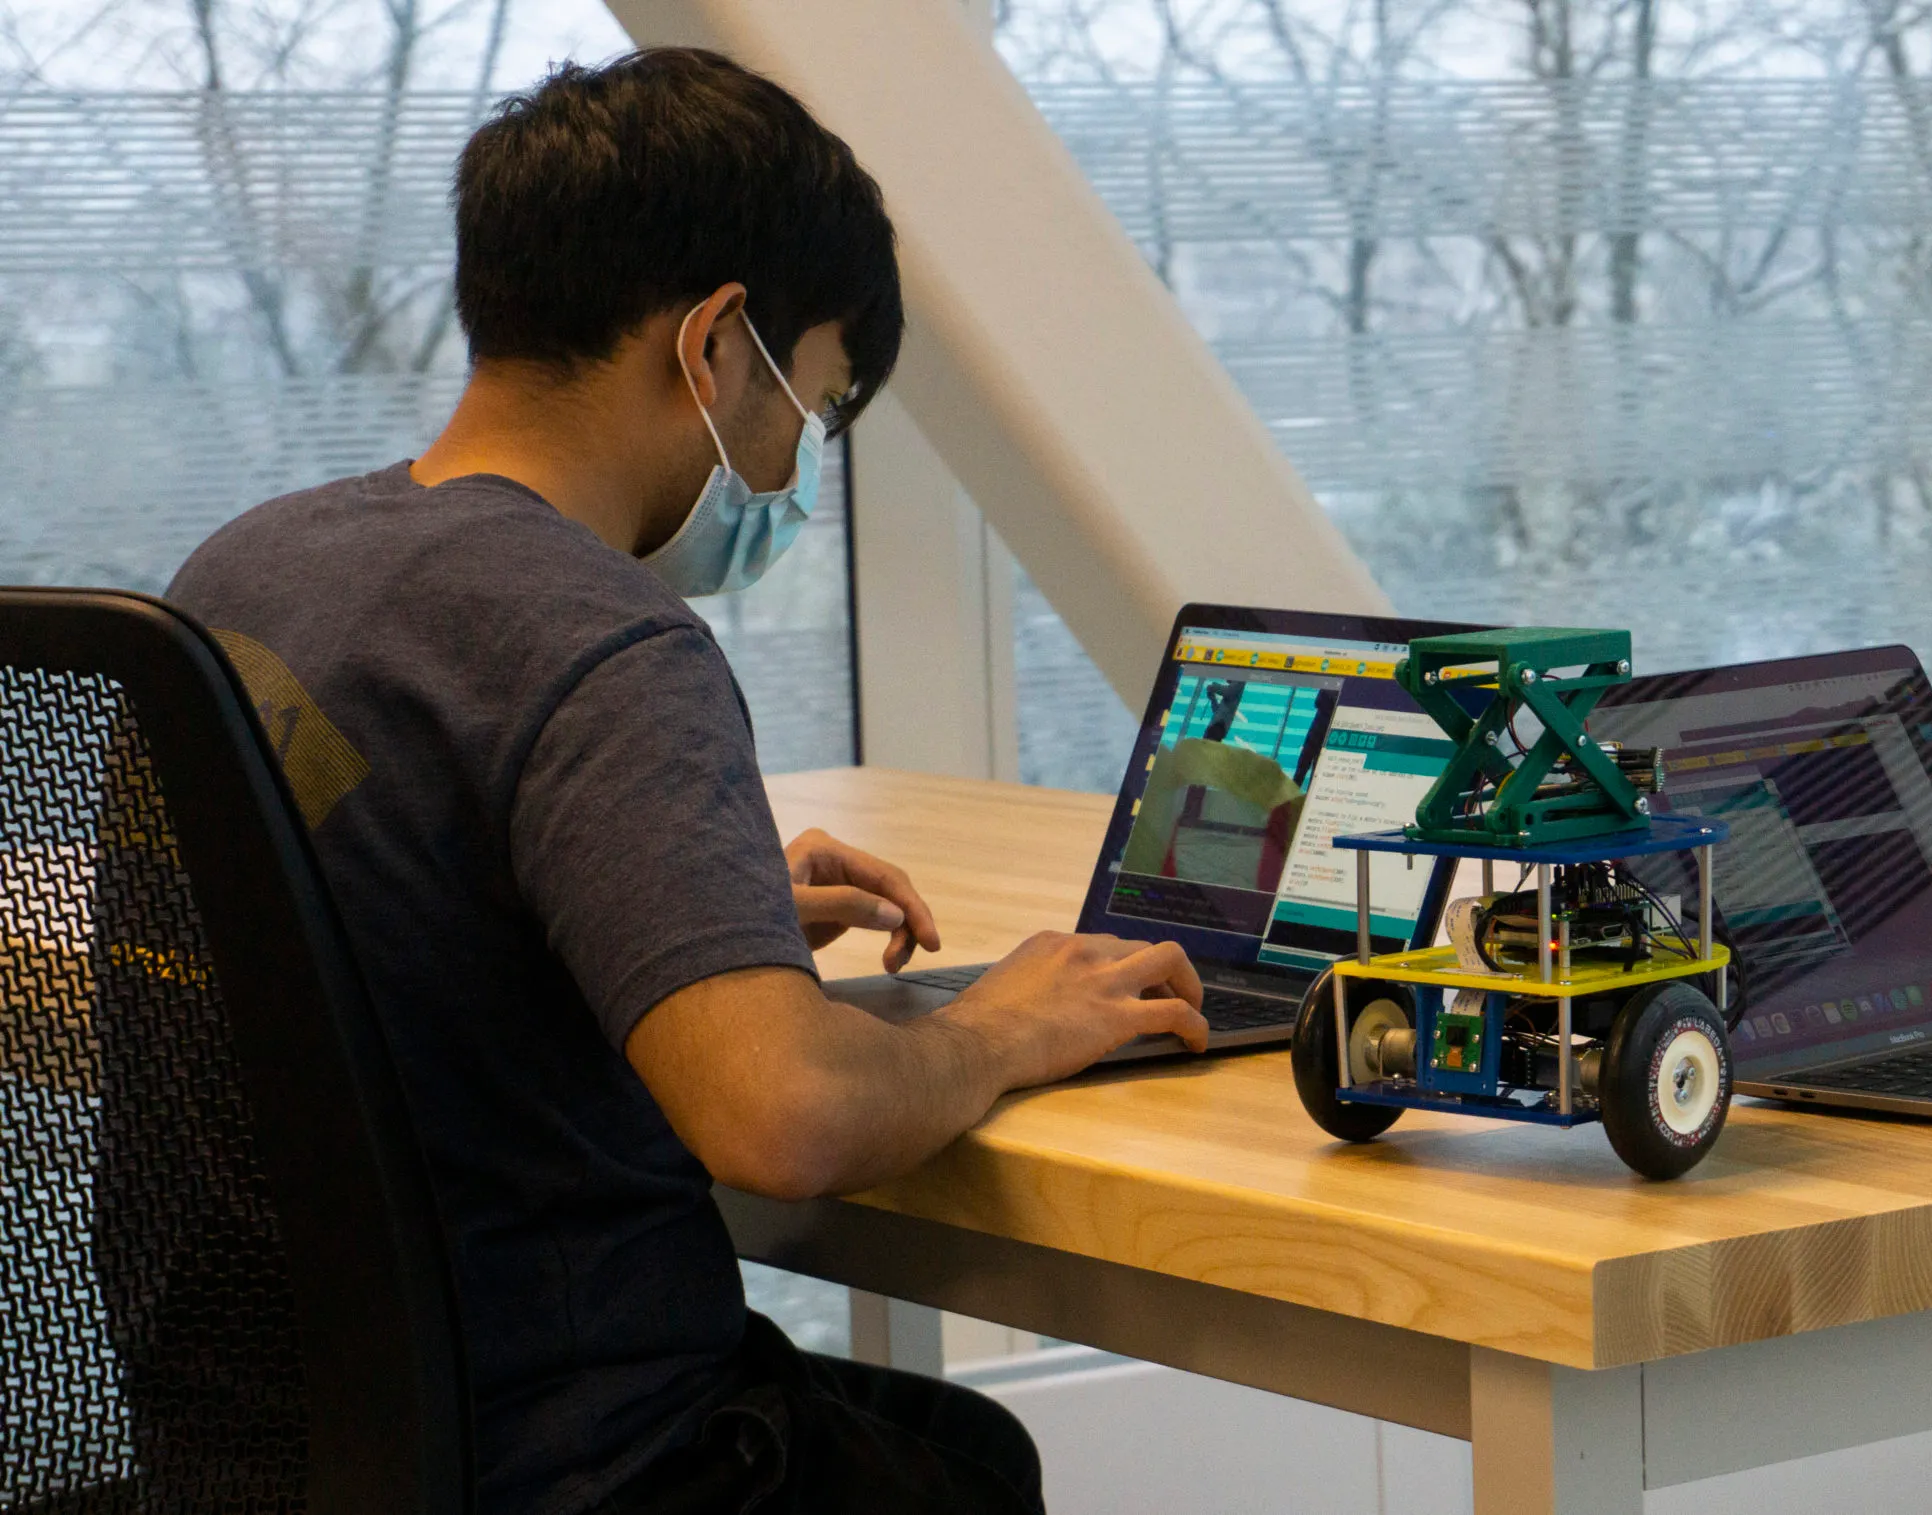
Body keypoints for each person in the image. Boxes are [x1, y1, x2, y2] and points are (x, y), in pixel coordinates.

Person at [166, 47, 1207, 1515]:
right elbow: (785, 1119)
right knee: (965, 1470)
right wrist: (997, 1026)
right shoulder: (598, 634)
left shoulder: (251, 568)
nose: (793, 467)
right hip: (573, 1461)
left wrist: (660, 915)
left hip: (251, 1448)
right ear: (716, 345)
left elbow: (349, 921)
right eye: (816, 407)